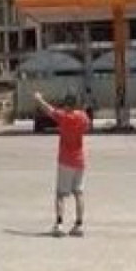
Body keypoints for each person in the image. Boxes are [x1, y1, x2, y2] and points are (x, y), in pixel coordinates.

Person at [33, 90, 89, 237]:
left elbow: (48, 110)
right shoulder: (83, 117)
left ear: (66, 104)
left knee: (60, 194)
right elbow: (86, 125)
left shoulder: (63, 117)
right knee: (79, 192)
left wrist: (39, 99)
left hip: (65, 160)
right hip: (80, 160)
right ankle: (79, 224)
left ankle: (59, 224)